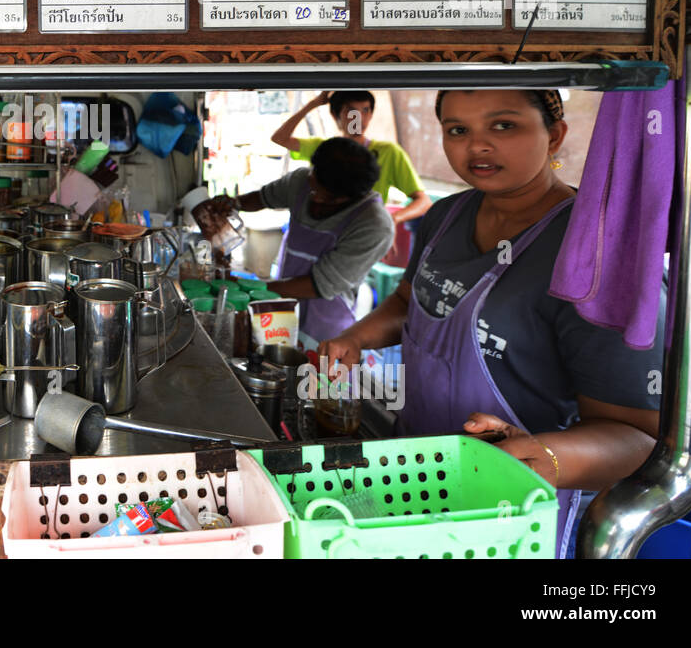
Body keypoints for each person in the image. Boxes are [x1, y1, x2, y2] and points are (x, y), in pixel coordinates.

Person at [318, 89, 662, 558]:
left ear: (555, 135)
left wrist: (546, 456)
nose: (476, 146)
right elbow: (407, 301)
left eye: (504, 126)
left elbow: (639, 440)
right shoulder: (444, 217)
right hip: (407, 475)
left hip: (508, 515)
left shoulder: (594, 256)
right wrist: (354, 338)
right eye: (457, 130)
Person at [206, 137, 394, 342]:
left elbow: (318, 285)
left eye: (327, 198)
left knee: (314, 371)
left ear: (354, 196)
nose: (315, 199)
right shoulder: (302, 181)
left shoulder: (374, 225)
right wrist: (234, 204)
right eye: (314, 188)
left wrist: (250, 289)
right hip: (280, 310)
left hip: (324, 328)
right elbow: (263, 198)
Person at [272, 90, 432, 226]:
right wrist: (312, 104)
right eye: (351, 111)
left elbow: (423, 201)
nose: (359, 118)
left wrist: (391, 219)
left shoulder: (389, 152)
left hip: (362, 237)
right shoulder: (323, 147)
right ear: (336, 115)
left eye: (365, 110)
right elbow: (279, 138)